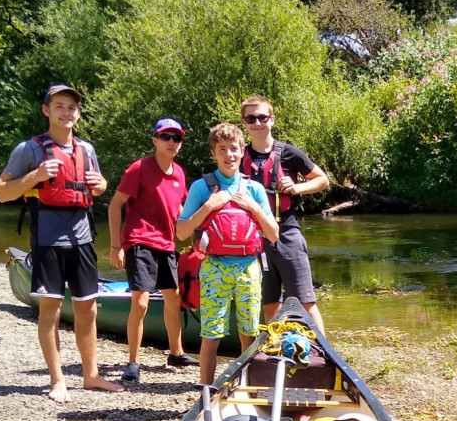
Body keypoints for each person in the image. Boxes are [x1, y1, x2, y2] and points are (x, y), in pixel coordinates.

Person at [0, 84, 125, 403]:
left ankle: (91, 376)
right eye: (60, 106)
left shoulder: (87, 150)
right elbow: (1, 192)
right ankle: (57, 380)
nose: (67, 112)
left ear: (78, 114)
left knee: (88, 309)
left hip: (82, 239)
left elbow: (98, 186)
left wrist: (101, 185)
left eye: (72, 108)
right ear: (47, 110)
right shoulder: (30, 149)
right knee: (50, 311)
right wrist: (35, 176)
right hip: (48, 239)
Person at [177, 123, 279, 385]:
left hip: (248, 268)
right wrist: (208, 207)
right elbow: (181, 231)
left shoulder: (254, 189)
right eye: (222, 149)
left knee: (249, 333)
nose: (229, 155)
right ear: (213, 153)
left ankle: (248, 387)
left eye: (234, 148)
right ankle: (206, 391)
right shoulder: (202, 187)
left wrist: (254, 208)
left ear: (242, 151)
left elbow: (273, 234)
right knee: (211, 336)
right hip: (214, 268)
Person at [108, 117, 199, 382]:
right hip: (139, 241)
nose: (172, 142)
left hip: (167, 244)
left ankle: (176, 353)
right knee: (141, 302)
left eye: (177, 138)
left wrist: (195, 236)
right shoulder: (138, 168)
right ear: (155, 141)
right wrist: (116, 246)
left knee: (174, 297)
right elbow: (115, 206)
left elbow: (179, 211)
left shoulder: (180, 173)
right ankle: (133, 362)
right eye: (166, 137)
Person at [239, 95, 329, 332]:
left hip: (287, 232)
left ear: (272, 120)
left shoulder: (290, 153)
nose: (257, 122)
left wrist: (297, 187)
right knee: (269, 304)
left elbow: (323, 180)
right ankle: (276, 350)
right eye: (251, 118)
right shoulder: (238, 157)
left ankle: (323, 354)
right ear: (244, 123)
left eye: (262, 117)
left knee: (305, 301)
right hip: (255, 238)